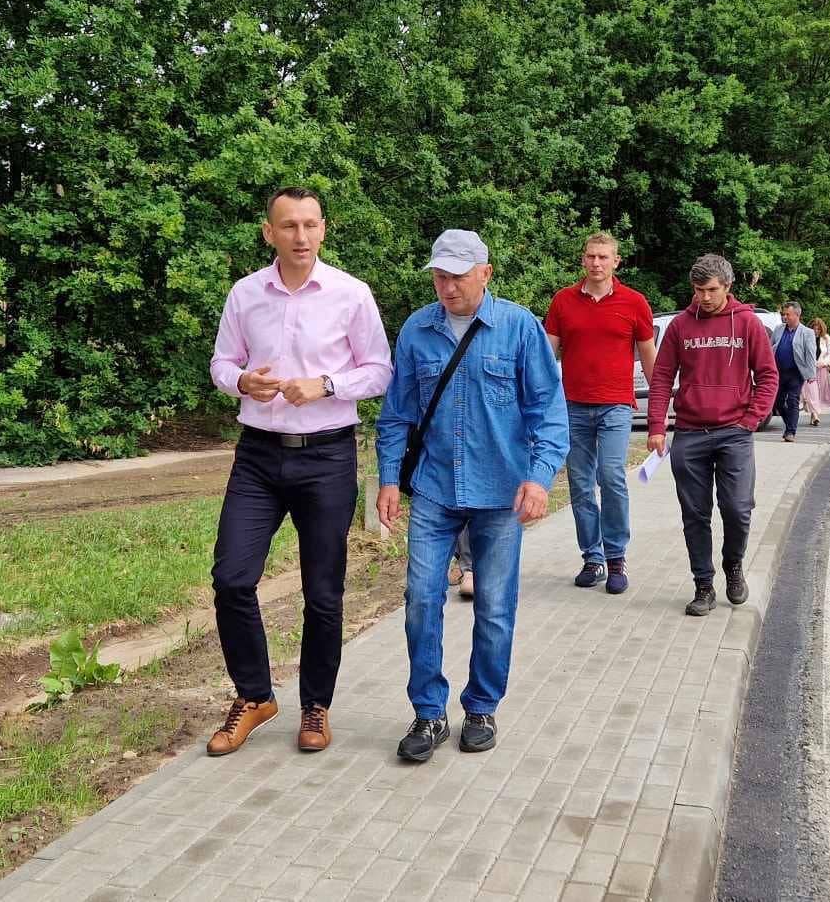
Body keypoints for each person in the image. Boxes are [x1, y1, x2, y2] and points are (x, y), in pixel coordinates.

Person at [204, 187, 394, 757]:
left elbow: (381, 370)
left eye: (310, 225)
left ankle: (316, 703)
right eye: (289, 226)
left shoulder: (350, 294)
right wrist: (241, 381)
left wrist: (328, 385)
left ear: (324, 229)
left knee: (323, 592)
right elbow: (221, 361)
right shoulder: (245, 294)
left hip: (328, 455)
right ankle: (255, 696)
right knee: (232, 577)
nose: (301, 236)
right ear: (269, 233)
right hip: (259, 454)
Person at [377, 230, 568, 763]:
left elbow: (549, 412)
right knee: (420, 600)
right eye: (439, 276)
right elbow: (396, 415)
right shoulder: (417, 330)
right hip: (435, 490)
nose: (447, 286)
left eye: (458, 275)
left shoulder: (520, 328)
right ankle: (429, 712)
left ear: (485, 272)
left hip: (500, 493)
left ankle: (481, 706)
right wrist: (389, 479)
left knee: (495, 606)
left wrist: (540, 475)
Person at [646, 255, 779, 617]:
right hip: (689, 433)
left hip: (734, 433)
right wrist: (657, 425)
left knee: (737, 509)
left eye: (711, 290)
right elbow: (661, 378)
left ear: (727, 287)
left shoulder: (748, 323)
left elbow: (768, 376)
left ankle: (733, 566)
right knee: (695, 513)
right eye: (698, 290)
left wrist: (751, 420)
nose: (704, 297)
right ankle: (703, 584)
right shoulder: (679, 327)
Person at [543, 231, 657, 595]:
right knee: (579, 484)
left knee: (611, 476)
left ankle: (616, 556)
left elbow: (650, 354)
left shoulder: (634, 302)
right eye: (591, 256)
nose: (596, 263)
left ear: (616, 262)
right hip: (573, 406)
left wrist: (661, 406)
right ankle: (591, 557)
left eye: (603, 257)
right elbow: (547, 358)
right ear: (583, 259)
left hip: (616, 406)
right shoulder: (563, 301)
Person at [769, 301, 817, 443]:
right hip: (779, 371)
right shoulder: (779, 329)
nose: (785, 317)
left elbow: (810, 353)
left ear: (797, 314)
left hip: (796, 372)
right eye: (783, 314)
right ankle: (790, 423)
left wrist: (811, 374)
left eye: (788, 314)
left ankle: (791, 432)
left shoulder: (807, 333)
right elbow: (770, 346)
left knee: (792, 400)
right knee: (777, 402)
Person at [801, 317, 830, 425]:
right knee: (811, 392)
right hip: (810, 369)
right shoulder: (805, 337)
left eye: (818, 329)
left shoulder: (826, 338)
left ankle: (814, 414)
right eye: (814, 329)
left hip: (822, 368)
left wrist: (824, 362)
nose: (816, 331)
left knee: (819, 393)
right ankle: (816, 415)